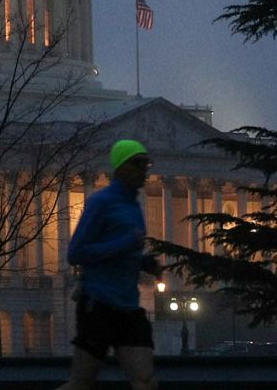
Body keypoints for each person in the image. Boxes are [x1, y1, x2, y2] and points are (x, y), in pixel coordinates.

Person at [55, 138, 159, 390]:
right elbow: (76, 253)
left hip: (128, 307)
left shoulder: (134, 205)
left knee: (145, 381)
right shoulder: (100, 202)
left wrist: (143, 262)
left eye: (146, 164)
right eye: (138, 163)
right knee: (81, 383)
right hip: (98, 305)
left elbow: (126, 253)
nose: (144, 170)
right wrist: (124, 244)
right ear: (121, 167)